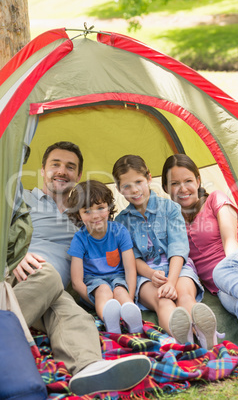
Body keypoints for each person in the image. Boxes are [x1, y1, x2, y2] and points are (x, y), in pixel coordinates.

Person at [9, 141, 151, 396]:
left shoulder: (87, 215)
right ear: (42, 170)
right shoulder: (25, 198)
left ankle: (90, 368)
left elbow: (119, 241)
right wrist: (16, 254)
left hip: (50, 290)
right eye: (56, 164)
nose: (62, 171)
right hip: (18, 273)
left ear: (78, 175)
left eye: (70, 167)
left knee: (73, 314)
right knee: (49, 273)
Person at [162, 153, 238, 376]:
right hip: (221, 287)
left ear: (198, 181)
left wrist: (228, 273)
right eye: (175, 183)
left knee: (224, 270)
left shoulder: (215, 199)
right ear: (166, 188)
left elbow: (230, 241)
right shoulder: (171, 220)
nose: (183, 188)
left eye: (188, 181)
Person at [112, 154, 218, 350]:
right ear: (119, 189)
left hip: (177, 265)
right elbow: (132, 258)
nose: (134, 190)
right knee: (163, 300)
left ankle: (205, 334)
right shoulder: (121, 222)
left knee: (184, 295)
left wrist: (171, 281)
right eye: (126, 186)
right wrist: (152, 275)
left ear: (149, 178)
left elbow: (179, 246)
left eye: (139, 182)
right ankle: (184, 339)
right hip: (146, 273)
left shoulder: (170, 208)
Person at [67, 180, 143, 334]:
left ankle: (133, 318)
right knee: (103, 290)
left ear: (108, 208)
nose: (95, 216)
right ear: (78, 215)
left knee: (120, 290)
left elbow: (130, 269)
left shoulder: (119, 231)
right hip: (94, 284)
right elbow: (76, 282)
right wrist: (94, 301)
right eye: (87, 211)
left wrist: (130, 295)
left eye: (100, 208)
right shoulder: (80, 239)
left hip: (118, 278)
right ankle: (110, 320)